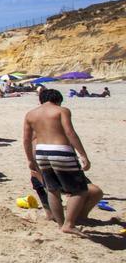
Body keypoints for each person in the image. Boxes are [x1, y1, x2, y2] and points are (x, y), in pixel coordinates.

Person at [24, 89, 97, 237]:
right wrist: (83, 154)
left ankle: (60, 224)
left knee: (52, 189)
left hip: (41, 151)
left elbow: (26, 139)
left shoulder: (31, 114)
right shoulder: (62, 111)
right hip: (60, 150)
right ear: (58, 99)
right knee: (80, 190)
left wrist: (30, 160)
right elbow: (70, 133)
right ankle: (69, 224)